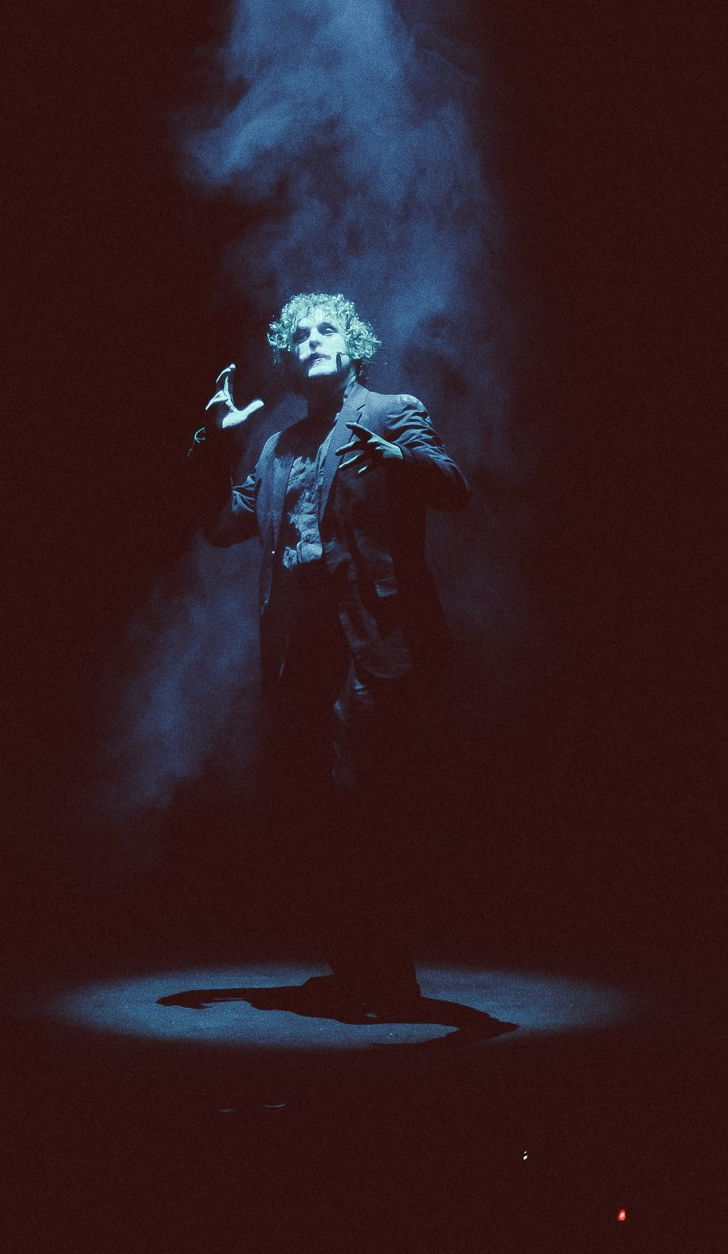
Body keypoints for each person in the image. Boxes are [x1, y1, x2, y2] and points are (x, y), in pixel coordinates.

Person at [198, 292, 469, 1018]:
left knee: (365, 804)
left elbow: (453, 487)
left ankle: (387, 976)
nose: (313, 340)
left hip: (374, 643)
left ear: (353, 345)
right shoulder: (278, 444)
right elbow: (223, 527)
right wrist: (221, 440)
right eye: (300, 335)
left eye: (327, 329)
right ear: (288, 357)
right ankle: (356, 969)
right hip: (303, 651)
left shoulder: (388, 410)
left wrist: (401, 457)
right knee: (320, 810)